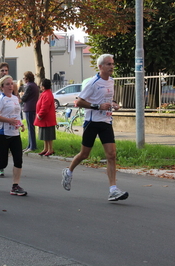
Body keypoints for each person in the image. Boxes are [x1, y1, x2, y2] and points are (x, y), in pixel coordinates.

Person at [61, 54, 129, 201]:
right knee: (84, 154)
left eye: (112, 64)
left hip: (106, 122)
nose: (112, 67)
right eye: (108, 64)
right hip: (92, 122)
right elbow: (78, 102)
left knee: (111, 155)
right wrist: (97, 106)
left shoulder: (111, 81)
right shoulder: (93, 83)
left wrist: (114, 104)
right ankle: (69, 171)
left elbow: (107, 99)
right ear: (100, 67)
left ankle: (113, 189)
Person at [0, 75, 27, 196]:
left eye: (11, 84)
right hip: (2, 133)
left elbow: (17, 114)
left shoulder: (14, 98)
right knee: (3, 163)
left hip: (15, 133)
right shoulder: (0, 100)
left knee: (18, 160)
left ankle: (15, 186)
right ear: (2, 87)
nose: (10, 86)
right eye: (7, 84)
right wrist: (9, 121)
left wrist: (21, 124)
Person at [34, 79, 57, 156]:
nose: (40, 86)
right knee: (44, 134)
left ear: (43, 87)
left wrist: (40, 115)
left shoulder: (47, 94)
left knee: (48, 134)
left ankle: (50, 149)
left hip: (47, 118)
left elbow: (45, 107)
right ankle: (46, 148)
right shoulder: (46, 93)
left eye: (41, 85)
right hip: (45, 118)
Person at [21, 71, 39, 152]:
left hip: (29, 108)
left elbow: (24, 98)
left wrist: (21, 96)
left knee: (30, 128)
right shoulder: (34, 85)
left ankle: (32, 146)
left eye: (24, 78)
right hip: (33, 108)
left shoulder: (29, 86)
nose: (24, 79)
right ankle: (30, 145)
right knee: (31, 127)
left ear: (27, 78)